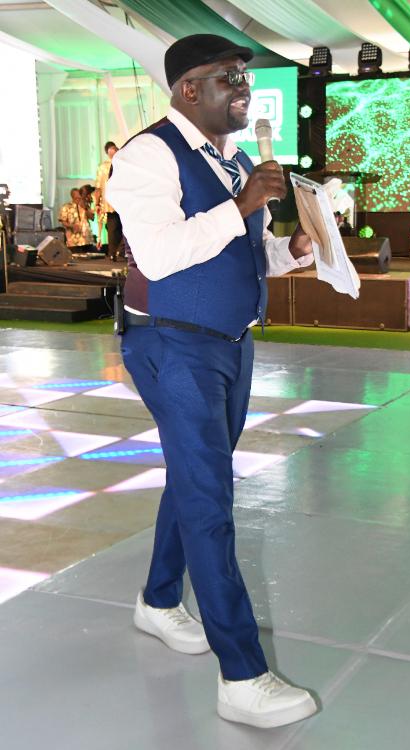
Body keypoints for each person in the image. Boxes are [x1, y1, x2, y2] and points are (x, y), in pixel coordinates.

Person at [107, 34, 317, 730]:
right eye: (229, 76)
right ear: (189, 89)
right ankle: (243, 675)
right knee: (209, 496)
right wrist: (244, 204)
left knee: (196, 476)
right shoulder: (148, 155)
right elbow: (162, 255)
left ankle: (159, 599)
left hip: (228, 342)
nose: (243, 88)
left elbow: (243, 253)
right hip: (171, 344)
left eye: (245, 77)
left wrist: (292, 251)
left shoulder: (237, 161)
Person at [95, 141, 123, 260]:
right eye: (113, 150)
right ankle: (114, 252)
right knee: (114, 228)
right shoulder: (104, 167)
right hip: (113, 203)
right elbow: (98, 188)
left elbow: (98, 188)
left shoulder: (120, 163)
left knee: (116, 228)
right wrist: (97, 203)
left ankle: (116, 252)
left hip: (116, 202)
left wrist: (97, 203)